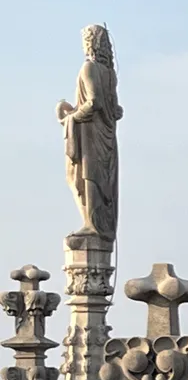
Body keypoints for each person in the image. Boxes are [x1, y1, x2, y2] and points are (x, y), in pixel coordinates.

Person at [57, 24, 121, 241]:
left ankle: (91, 224)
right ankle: (96, 224)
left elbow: (94, 102)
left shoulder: (89, 68)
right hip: (107, 135)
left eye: (86, 40)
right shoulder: (110, 74)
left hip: (91, 133)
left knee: (87, 176)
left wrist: (70, 117)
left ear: (91, 43)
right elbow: (117, 110)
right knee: (99, 179)